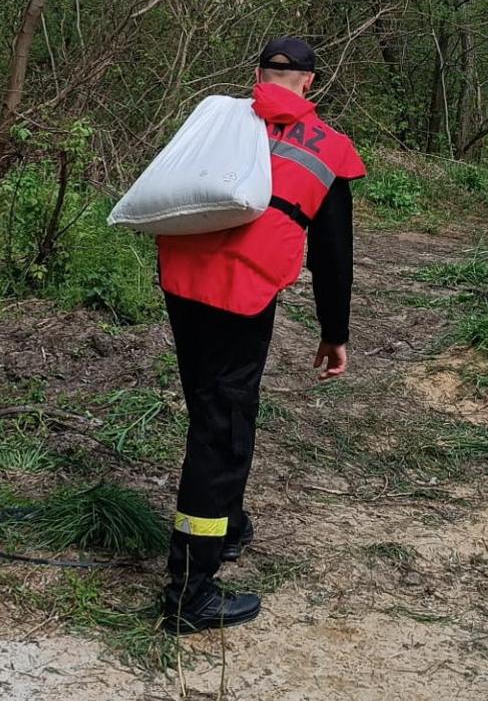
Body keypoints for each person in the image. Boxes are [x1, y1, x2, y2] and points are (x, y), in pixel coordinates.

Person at [152, 38, 365, 634]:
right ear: (311, 82)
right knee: (221, 427)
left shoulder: (224, 119)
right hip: (243, 293)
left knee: (211, 406)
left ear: (258, 75)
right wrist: (334, 332)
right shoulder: (329, 148)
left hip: (181, 278)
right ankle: (189, 591)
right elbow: (333, 252)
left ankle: (229, 522)